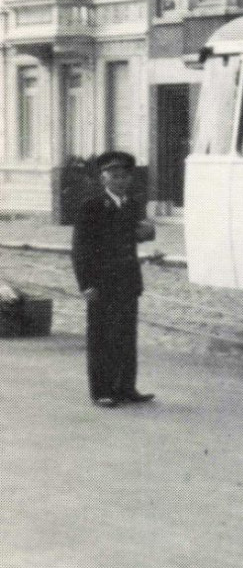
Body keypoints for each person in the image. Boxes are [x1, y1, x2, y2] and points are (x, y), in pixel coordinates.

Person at [72, 151, 156, 408]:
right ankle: (102, 391)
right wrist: (86, 284)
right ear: (103, 178)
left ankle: (126, 387)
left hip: (128, 281)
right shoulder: (92, 206)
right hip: (102, 283)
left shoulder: (131, 204)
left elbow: (137, 234)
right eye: (114, 176)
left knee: (126, 336)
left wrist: (148, 233)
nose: (120, 180)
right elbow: (81, 248)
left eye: (124, 176)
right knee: (101, 337)